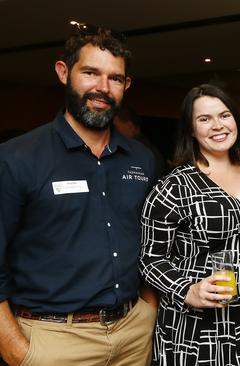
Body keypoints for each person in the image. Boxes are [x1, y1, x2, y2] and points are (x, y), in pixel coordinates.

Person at [0, 24, 157, 366]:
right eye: (90, 73)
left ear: (126, 86)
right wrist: (15, 348)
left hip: (133, 334)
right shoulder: (16, 158)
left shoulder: (142, 160)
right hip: (53, 340)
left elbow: (153, 242)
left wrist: (148, 309)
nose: (102, 88)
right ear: (63, 72)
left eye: (115, 78)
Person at [139, 84, 240, 366]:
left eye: (224, 115)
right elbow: (149, 259)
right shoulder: (174, 187)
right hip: (197, 330)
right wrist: (187, 290)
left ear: (236, 120)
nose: (217, 126)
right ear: (191, 130)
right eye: (204, 119)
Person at [113, 105, 167, 178]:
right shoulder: (150, 151)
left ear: (129, 126)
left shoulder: (146, 153)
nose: (111, 131)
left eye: (115, 126)